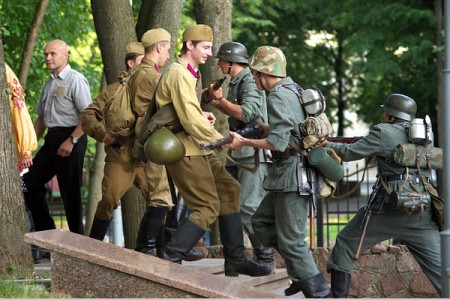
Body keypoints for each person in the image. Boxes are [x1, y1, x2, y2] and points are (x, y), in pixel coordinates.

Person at [154, 24, 271, 277]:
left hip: (198, 146)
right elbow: (187, 118)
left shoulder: (189, 72)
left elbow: (188, 111)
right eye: (205, 47)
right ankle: (170, 259)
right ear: (189, 46)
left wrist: (204, 112)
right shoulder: (177, 73)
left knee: (230, 190)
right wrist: (222, 139)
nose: (210, 54)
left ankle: (236, 260)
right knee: (207, 206)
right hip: (185, 148)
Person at [225, 46, 331, 296]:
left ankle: (319, 292)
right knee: (261, 222)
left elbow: (279, 143)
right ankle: (300, 274)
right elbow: (287, 130)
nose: (253, 78)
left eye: (255, 73)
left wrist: (244, 142)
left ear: (265, 72)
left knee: (292, 240)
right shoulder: (294, 90)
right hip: (283, 175)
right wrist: (264, 128)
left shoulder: (277, 96)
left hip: (292, 177)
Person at [320, 94, 442, 297]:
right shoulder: (425, 137)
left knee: (345, 242)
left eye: (385, 111)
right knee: (441, 269)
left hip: (390, 209)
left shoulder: (383, 132)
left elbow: (350, 153)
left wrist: (325, 146)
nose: (383, 114)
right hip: (423, 209)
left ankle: (336, 297)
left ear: (390, 115)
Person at [205, 42, 275, 268]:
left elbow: (248, 113)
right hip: (242, 153)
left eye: (221, 60)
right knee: (230, 202)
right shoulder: (238, 81)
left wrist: (220, 100)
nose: (218, 63)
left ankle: (266, 256)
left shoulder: (247, 81)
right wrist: (216, 102)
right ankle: (237, 258)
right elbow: (236, 112)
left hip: (253, 153)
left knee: (247, 207)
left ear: (231, 62)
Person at [23, 39, 91, 235]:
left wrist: (72, 140)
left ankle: (78, 244)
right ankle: (48, 234)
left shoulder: (75, 80)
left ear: (65, 56)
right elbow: (41, 119)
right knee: (30, 182)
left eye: (52, 53)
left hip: (72, 137)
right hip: (51, 139)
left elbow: (88, 117)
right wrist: (29, 147)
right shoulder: (49, 83)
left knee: (70, 194)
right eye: (46, 54)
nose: (48, 57)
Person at [81, 41, 144, 239]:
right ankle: (92, 247)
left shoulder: (155, 88)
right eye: (143, 62)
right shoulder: (113, 91)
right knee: (108, 199)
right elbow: (88, 115)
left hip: (148, 156)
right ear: (131, 63)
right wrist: (102, 134)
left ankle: (164, 250)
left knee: (162, 200)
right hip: (120, 154)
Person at [6, 62, 39, 261]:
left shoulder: (6, 74)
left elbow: (18, 111)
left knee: (21, 198)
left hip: (14, 149)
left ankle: (31, 249)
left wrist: (24, 148)